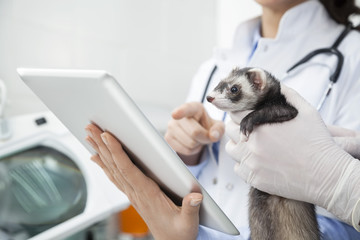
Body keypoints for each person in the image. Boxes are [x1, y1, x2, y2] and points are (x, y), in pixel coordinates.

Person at [86, 0, 360, 239]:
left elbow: (347, 216)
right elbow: (195, 193)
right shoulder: (215, 64)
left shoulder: (353, 55)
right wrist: (187, 156)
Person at [225, 84, 360, 232]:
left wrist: (344, 185)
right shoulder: (209, 69)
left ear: (257, 80)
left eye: (233, 90)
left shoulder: (352, 70)